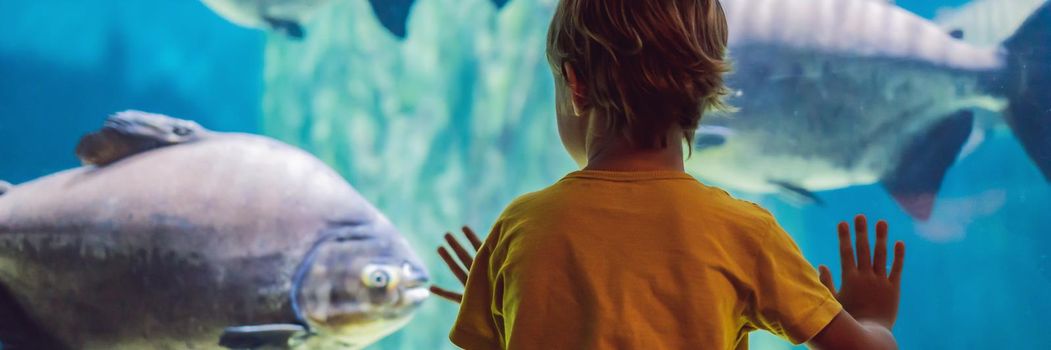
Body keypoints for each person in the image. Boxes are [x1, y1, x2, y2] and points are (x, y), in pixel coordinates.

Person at [431, 0, 906, 348]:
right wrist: (872, 319)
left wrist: (502, 310)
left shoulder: (523, 228)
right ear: (706, 94)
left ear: (575, 86)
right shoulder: (745, 234)